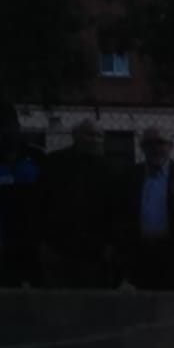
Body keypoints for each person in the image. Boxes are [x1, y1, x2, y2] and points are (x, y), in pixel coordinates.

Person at [37, 119, 117, 288]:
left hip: (94, 251)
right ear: (75, 136)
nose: (95, 140)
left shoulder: (109, 169)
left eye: (99, 136)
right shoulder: (54, 163)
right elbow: (40, 202)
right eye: (90, 135)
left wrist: (109, 245)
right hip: (58, 248)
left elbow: (114, 210)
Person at [118, 126, 174, 290]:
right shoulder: (129, 177)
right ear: (142, 147)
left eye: (161, 143)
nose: (156, 148)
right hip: (139, 255)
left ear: (171, 146)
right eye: (150, 143)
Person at [0, 102, 45, 286]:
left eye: (9, 124)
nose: (6, 131)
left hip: (33, 234)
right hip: (2, 236)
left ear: (17, 125)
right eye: (0, 126)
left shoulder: (36, 157)